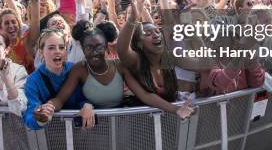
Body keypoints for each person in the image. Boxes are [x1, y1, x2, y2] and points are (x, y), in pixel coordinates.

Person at [48, 21, 195, 119]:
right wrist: (47, 109)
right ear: (83, 49)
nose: (94, 52)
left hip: (123, 122)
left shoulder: (120, 66)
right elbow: (60, 99)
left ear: (106, 47)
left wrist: (175, 109)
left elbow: (145, 95)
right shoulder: (79, 69)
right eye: (89, 48)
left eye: (99, 47)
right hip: (92, 124)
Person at [24, 29, 92, 129]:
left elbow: (90, 96)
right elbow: (29, 116)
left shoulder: (76, 69)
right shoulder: (33, 80)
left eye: (61, 47)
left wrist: (88, 105)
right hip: (51, 135)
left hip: (81, 130)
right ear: (41, 52)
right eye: (51, 48)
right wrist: (40, 117)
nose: (57, 51)